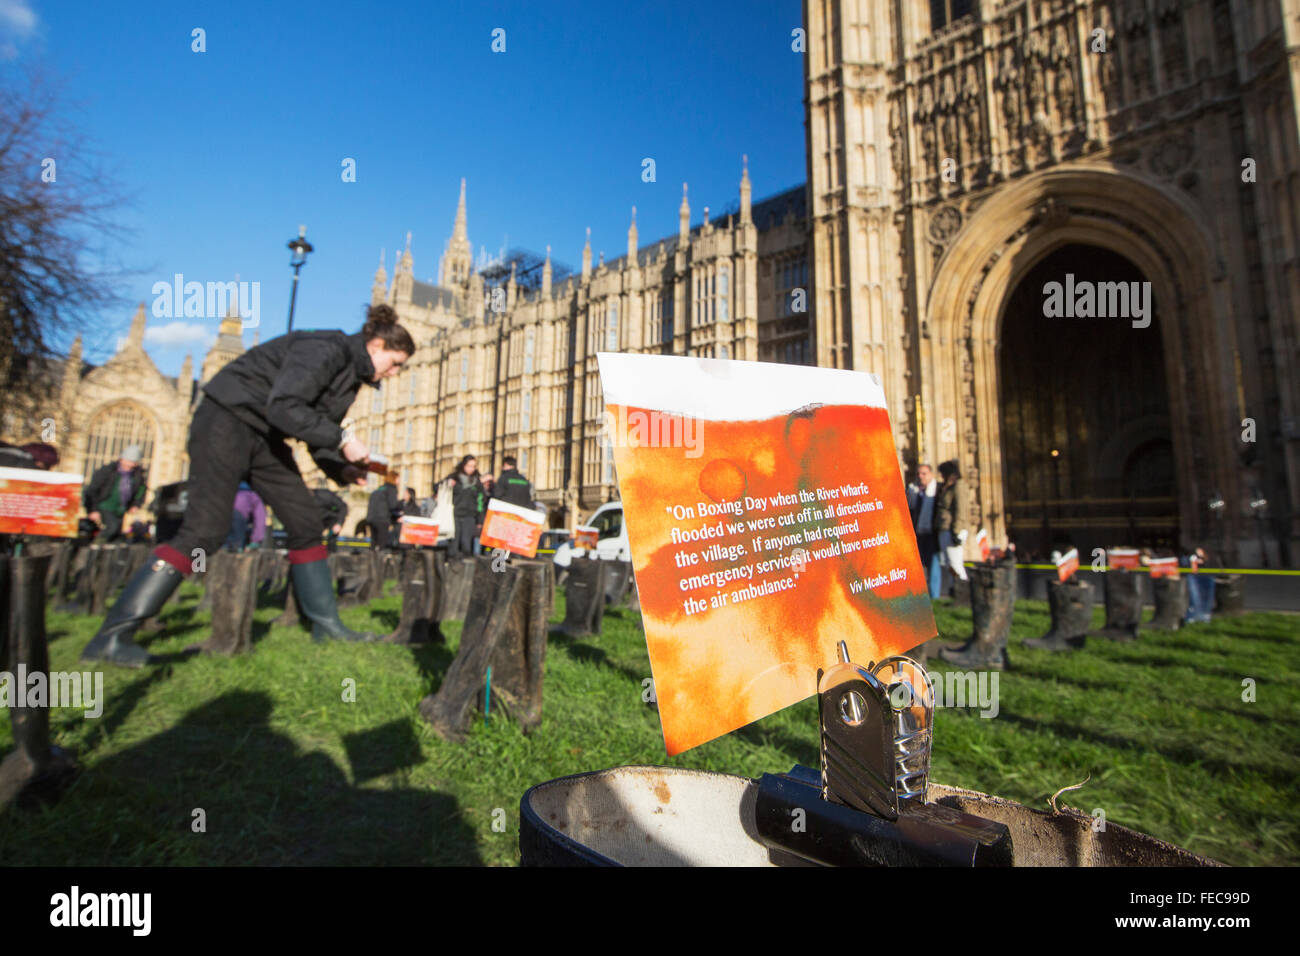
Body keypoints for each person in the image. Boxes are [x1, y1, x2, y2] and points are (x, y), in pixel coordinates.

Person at [80, 303, 415, 668]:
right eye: (396, 363)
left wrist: (342, 467)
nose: (394, 374)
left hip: (263, 438)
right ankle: (113, 636)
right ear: (377, 345)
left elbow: (313, 428)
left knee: (305, 524)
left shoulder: (349, 377)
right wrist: (343, 439)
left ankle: (326, 626)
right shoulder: (326, 349)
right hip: (225, 420)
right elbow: (285, 406)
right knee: (203, 531)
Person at [83, 445, 148, 542]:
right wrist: (92, 509)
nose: (130, 465)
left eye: (133, 462)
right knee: (112, 528)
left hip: (121, 509)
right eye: (128, 461)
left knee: (117, 533)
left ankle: (107, 554)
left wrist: (136, 505)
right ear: (121, 459)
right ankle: (95, 547)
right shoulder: (107, 471)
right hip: (104, 506)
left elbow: (141, 492)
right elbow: (92, 490)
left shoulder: (137, 476)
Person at [907, 463, 942, 601]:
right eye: (919, 474)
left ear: (931, 474)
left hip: (932, 533)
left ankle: (935, 596)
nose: (920, 476)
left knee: (934, 564)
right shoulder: (914, 491)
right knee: (918, 565)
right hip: (918, 532)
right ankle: (920, 596)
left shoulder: (937, 490)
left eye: (924, 473)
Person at [935, 459, 969, 593]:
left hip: (952, 529)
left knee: (955, 562)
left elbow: (961, 509)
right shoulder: (947, 486)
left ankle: (964, 590)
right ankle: (954, 590)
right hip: (944, 528)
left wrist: (956, 531)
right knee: (949, 563)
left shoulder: (959, 486)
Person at [441, 455, 484, 556]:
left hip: (469, 516)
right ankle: (452, 566)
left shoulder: (477, 481)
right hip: (454, 515)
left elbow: (481, 501)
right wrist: (447, 483)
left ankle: (465, 568)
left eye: (473, 466)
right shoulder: (454, 477)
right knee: (454, 545)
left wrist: (480, 519)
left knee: (466, 544)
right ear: (463, 465)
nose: (471, 469)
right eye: (469, 466)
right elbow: (437, 487)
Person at [224, 482, 267, 551]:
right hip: (240, 510)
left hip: (223, 503)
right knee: (235, 544)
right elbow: (260, 520)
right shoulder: (255, 495)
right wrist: (256, 540)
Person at [367, 471, 400, 550]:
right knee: (382, 543)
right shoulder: (392, 489)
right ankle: (379, 561)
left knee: (373, 542)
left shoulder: (380, 488)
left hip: (371, 518)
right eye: (398, 479)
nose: (399, 481)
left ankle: (371, 559)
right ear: (394, 479)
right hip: (382, 519)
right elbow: (393, 505)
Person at [312, 484, 347, 552]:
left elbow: (343, 507)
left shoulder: (326, 495)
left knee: (332, 540)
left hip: (332, 518)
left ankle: (331, 555)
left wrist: (339, 523)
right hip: (316, 520)